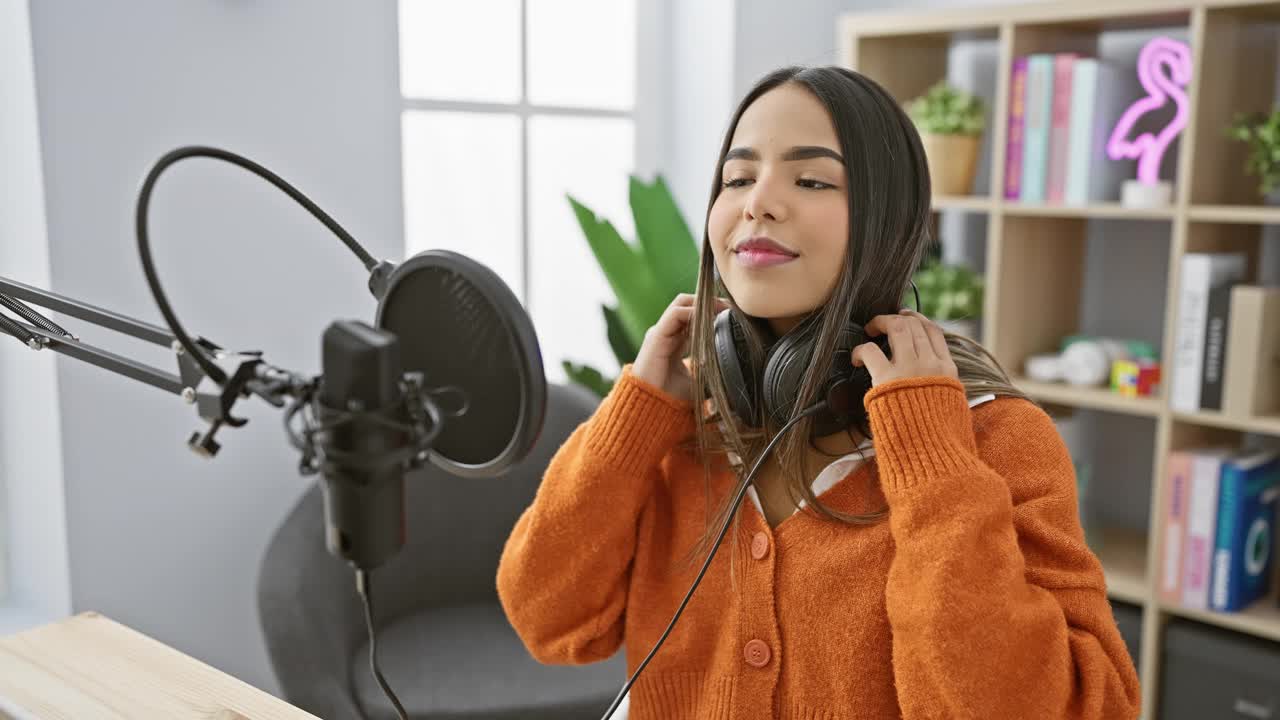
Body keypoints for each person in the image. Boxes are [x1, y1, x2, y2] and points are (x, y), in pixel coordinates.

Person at [496, 65, 1142, 720]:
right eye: (738, 179)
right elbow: (549, 621)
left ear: (886, 222)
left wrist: (933, 467)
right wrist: (633, 419)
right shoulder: (683, 422)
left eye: (811, 180)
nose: (759, 203)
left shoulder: (993, 439)